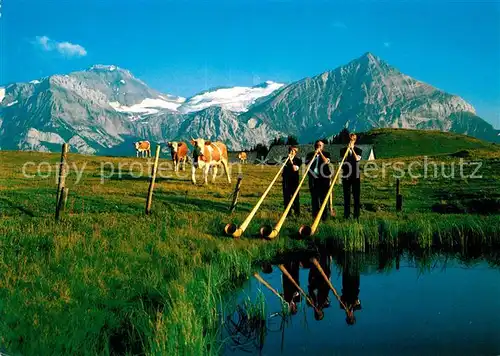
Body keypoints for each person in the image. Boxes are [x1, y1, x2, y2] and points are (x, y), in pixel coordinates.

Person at [306, 140, 331, 221]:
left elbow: (326, 162)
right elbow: (307, 165)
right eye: (317, 145)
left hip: (324, 179)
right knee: (314, 199)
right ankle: (315, 217)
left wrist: (320, 153)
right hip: (313, 179)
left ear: (323, 146)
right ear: (315, 146)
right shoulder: (310, 155)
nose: (318, 147)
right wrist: (314, 155)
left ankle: (324, 217)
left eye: (320, 145)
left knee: (323, 198)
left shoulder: (327, 154)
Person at [340, 134, 363, 219]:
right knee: (346, 196)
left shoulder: (358, 150)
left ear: (355, 141)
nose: (350, 141)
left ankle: (356, 215)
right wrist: (347, 149)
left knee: (356, 196)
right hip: (346, 175)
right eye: (349, 140)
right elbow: (342, 160)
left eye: (352, 140)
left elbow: (357, 159)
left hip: (355, 176)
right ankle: (346, 215)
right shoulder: (343, 150)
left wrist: (352, 149)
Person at [307, 250, 332, 321]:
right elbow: (327, 288)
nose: (318, 312)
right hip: (322, 277)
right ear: (322, 312)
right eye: (320, 313)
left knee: (315, 256)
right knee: (323, 257)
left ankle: (314, 248)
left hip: (314, 277)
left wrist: (310, 299)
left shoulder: (311, 303)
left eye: (317, 314)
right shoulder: (325, 302)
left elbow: (310, 289)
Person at [339, 252, 362, 326]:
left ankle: (345, 254)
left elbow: (340, 297)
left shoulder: (342, 306)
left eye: (349, 318)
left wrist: (346, 306)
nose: (350, 316)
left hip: (346, 286)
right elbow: (357, 301)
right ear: (353, 316)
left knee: (345, 268)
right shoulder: (358, 307)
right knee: (355, 269)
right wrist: (351, 307)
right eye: (351, 317)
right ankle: (356, 254)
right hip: (354, 286)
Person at [282, 146, 302, 216]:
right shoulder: (284, 159)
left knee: (295, 197)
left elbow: (294, 168)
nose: (291, 152)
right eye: (290, 150)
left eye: (293, 151)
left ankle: (297, 213)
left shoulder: (298, 160)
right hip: (286, 181)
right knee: (286, 197)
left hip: (294, 181)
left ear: (295, 153)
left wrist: (290, 160)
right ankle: (288, 213)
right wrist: (288, 159)